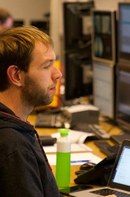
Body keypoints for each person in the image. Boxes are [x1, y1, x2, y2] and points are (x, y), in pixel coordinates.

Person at [0, 26, 116, 197]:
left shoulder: (15, 128)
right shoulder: (13, 147)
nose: (58, 74)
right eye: (47, 66)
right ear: (16, 75)